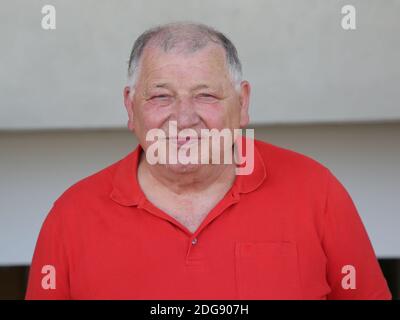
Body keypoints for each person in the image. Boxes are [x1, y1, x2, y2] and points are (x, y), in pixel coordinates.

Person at [26, 22, 391, 299]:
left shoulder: (316, 191)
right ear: (130, 107)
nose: (183, 118)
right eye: (160, 96)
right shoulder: (71, 216)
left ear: (242, 103)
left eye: (205, 95)